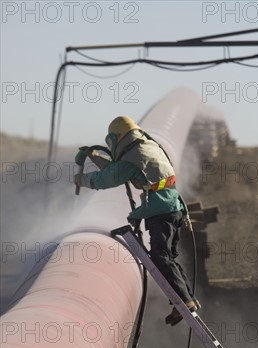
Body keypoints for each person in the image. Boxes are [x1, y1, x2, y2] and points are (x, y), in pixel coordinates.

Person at [74, 115, 200, 326]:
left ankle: (183, 301)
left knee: (160, 257)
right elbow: (117, 169)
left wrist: (83, 180)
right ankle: (187, 300)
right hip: (172, 206)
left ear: (116, 139)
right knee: (167, 256)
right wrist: (93, 156)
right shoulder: (145, 147)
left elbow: (109, 178)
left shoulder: (133, 156)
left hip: (161, 210)